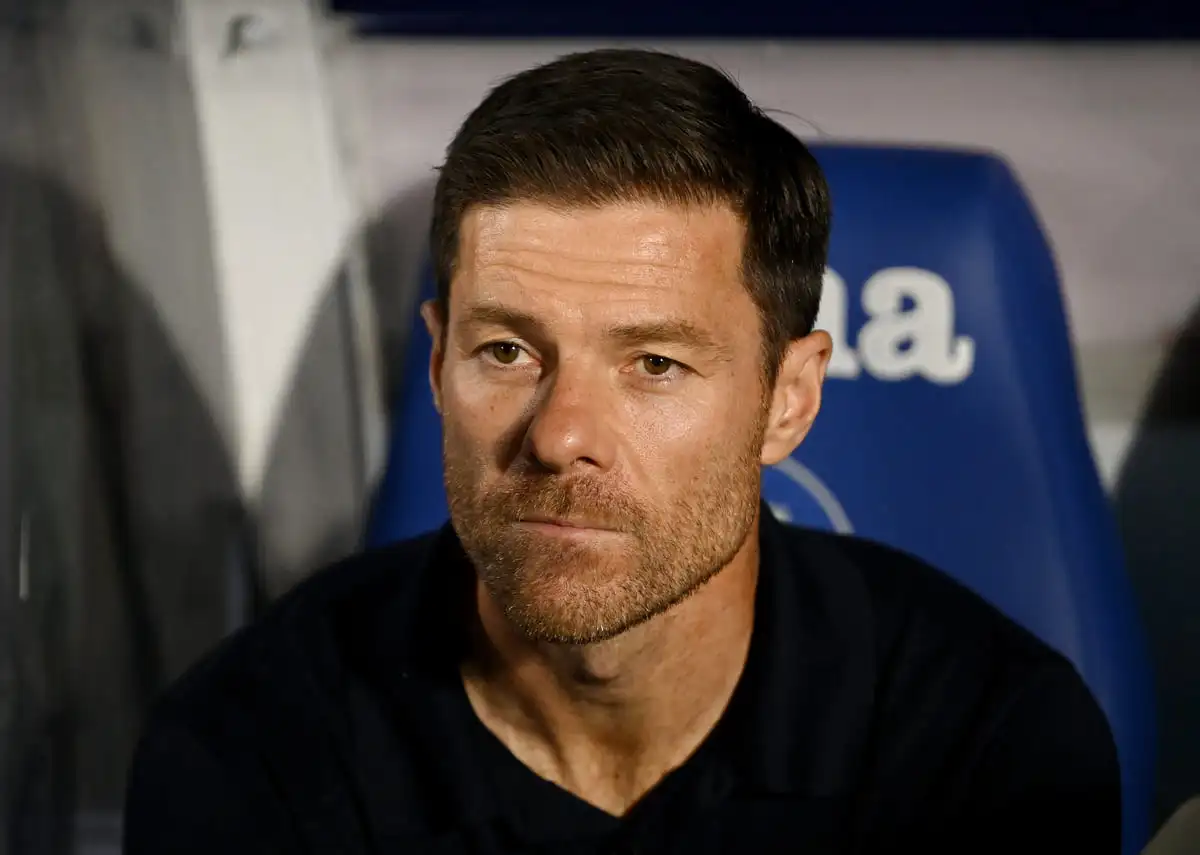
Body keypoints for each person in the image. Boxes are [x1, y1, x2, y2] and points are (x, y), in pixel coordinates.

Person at [123, 48, 1120, 854]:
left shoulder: (986, 746)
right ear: (437, 366)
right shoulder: (250, 750)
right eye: (506, 351)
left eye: (653, 364)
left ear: (789, 398)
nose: (560, 437)